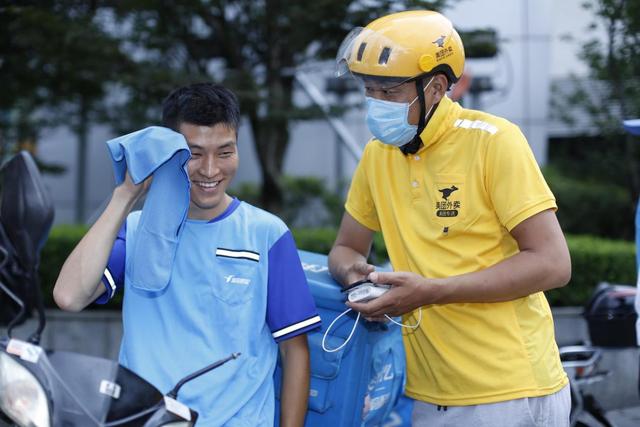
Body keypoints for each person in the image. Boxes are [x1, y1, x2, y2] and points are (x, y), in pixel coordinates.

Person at [328, 10, 572, 426]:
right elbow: (347, 247)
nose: (375, 104)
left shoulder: (495, 142)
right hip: (428, 392)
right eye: (369, 91)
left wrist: (431, 291)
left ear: (436, 87)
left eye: (389, 92)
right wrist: (358, 279)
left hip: (509, 391)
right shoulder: (376, 155)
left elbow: (552, 264)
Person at [53, 83, 321, 427]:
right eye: (194, 153)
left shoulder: (267, 233)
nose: (210, 170)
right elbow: (69, 296)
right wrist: (126, 195)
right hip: (145, 420)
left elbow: (295, 350)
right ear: (172, 150)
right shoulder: (136, 229)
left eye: (225, 152)